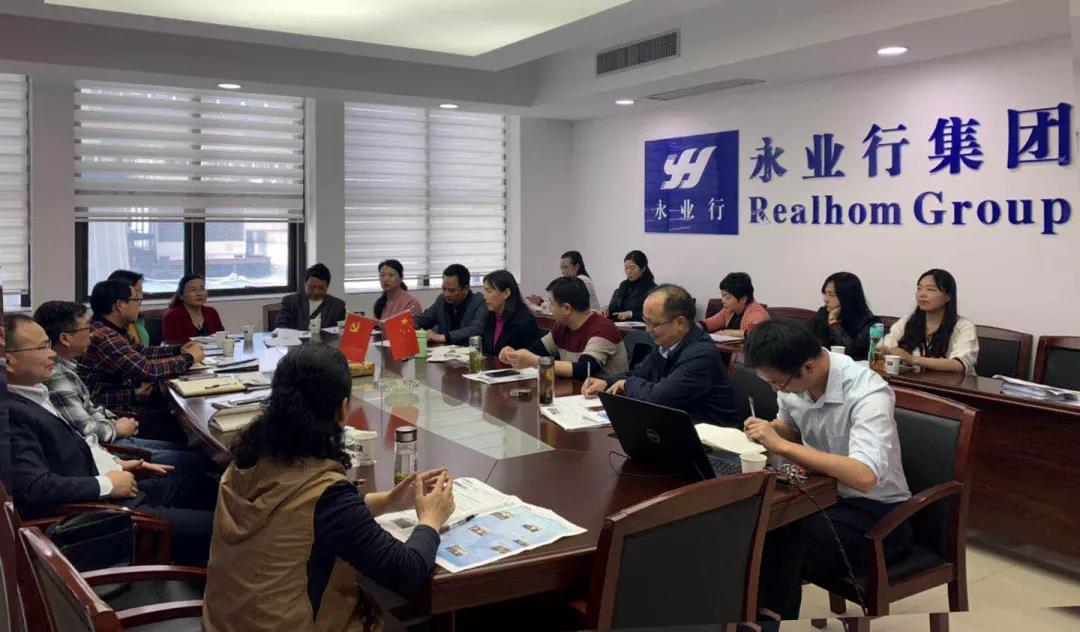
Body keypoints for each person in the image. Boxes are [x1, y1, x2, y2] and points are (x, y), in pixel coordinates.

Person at [202, 344, 455, 631]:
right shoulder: (325, 497)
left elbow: (304, 516)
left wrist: (388, 501)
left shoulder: (248, 460)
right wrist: (431, 519)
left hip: (224, 622)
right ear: (343, 409)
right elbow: (407, 573)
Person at [5, 313, 216, 565]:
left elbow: (70, 448)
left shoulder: (35, 392)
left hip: (114, 484)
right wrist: (106, 484)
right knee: (223, 527)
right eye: (42, 347)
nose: (52, 354)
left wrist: (116, 463)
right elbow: (34, 488)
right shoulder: (13, 413)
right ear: (8, 361)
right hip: (107, 512)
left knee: (207, 486)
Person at [740, 320, 912, 621]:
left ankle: (764, 621)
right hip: (824, 496)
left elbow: (864, 476)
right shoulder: (795, 382)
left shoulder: (868, 393)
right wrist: (769, 430)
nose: (776, 390)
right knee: (755, 523)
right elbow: (791, 428)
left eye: (778, 384)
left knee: (780, 538)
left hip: (879, 515)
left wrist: (782, 445)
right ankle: (751, 617)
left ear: (807, 368)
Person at [34, 300, 213, 474]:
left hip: (112, 429)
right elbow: (86, 430)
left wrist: (115, 423)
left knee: (194, 451)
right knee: (199, 460)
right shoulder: (59, 377)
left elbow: (90, 409)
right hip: (108, 449)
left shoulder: (69, 366)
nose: (92, 334)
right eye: (87, 329)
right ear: (65, 338)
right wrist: (117, 428)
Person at [583, 284, 739, 427]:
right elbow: (638, 374)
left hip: (714, 440)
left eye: (654, 324)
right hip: (676, 427)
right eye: (645, 321)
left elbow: (660, 398)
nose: (647, 329)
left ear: (680, 323)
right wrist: (606, 382)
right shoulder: (667, 344)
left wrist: (626, 385)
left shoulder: (701, 354)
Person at [78, 279, 204, 411]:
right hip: (111, 411)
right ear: (120, 305)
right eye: (137, 301)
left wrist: (179, 350)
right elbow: (147, 370)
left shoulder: (110, 328)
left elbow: (141, 352)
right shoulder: (104, 336)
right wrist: (189, 358)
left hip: (124, 398)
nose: (139, 306)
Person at [500, 277, 628, 379]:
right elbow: (536, 351)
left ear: (566, 308)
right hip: (576, 393)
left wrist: (535, 361)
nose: (548, 308)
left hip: (604, 397)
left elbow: (584, 369)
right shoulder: (562, 326)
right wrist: (514, 354)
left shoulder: (603, 329)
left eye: (551, 303)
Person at [880, 269, 978, 374]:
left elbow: (959, 365)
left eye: (930, 289)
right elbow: (882, 348)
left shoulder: (963, 326)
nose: (922, 294)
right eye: (919, 288)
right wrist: (887, 350)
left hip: (951, 384)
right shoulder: (908, 321)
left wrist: (912, 359)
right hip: (912, 381)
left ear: (948, 296)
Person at [809, 272, 881, 360]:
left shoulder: (869, 322)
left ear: (847, 297)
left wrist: (833, 323)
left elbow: (850, 351)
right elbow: (804, 336)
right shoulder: (823, 313)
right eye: (825, 294)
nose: (825, 299)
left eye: (831, 295)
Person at [414, 263, 486, 345]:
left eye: (452, 290)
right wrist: (408, 324)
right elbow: (424, 319)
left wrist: (443, 337)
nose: (446, 294)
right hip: (445, 351)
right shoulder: (441, 300)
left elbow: (476, 329)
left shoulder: (479, 301)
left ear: (466, 288)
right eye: (444, 289)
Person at [480, 270, 543, 357]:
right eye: (485, 291)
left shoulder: (525, 322)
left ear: (506, 293)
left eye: (489, 291)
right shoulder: (489, 317)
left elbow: (528, 358)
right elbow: (485, 352)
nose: (485, 296)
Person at [274, 263, 347, 331]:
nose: (316, 292)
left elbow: (340, 331)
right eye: (312, 287)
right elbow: (280, 326)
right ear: (305, 283)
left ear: (327, 286)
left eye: (321, 288)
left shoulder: (337, 305)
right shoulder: (290, 302)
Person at [161, 273, 225, 343]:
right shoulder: (172, 316)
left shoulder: (211, 312)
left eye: (202, 289)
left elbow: (222, 338)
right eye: (193, 290)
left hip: (215, 349)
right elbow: (173, 345)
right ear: (181, 296)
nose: (199, 293)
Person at [702, 272, 769, 338]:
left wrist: (728, 333)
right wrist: (698, 325)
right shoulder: (729, 311)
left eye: (727, 297)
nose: (723, 301)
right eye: (722, 296)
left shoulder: (757, 312)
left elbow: (757, 333)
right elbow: (708, 324)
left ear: (743, 299)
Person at [528, 251, 601, 312]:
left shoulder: (583, 281)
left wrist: (543, 303)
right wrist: (540, 301)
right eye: (561, 268)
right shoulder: (571, 282)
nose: (562, 272)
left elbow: (563, 305)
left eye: (565, 267)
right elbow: (559, 303)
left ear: (576, 266)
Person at [601, 250, 656, 322]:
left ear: (643, 268)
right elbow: (614, 309)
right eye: (626, 268)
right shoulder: (623, 286)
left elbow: (653, 314)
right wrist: (607, 309)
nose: (628, 272)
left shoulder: (653, 290)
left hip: (640, 327)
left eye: (632, 268)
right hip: (619, 325)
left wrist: (631, 314)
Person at [107, 269, 150, 346]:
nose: (140, 297)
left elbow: (142, 350)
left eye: (141, 292)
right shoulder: (107, 333)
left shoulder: (135, 320)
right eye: (136, 292)